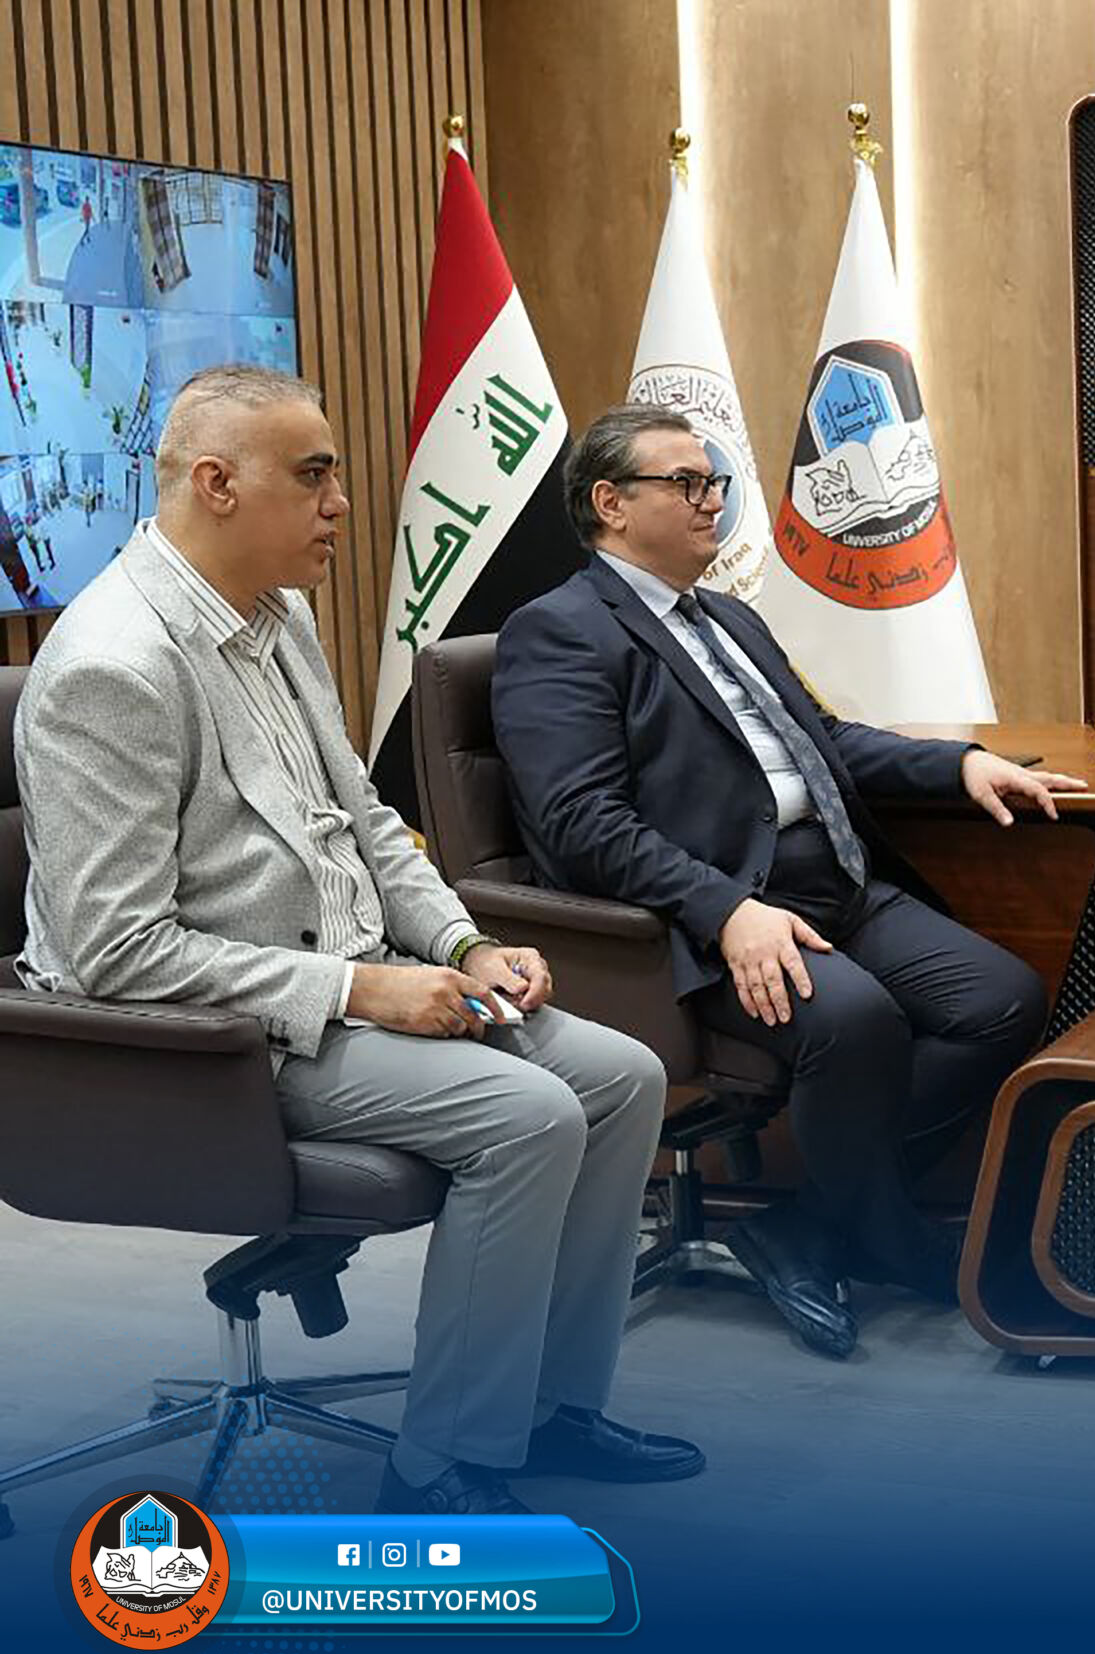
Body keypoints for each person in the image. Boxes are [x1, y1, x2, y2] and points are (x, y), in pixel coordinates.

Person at [12, 365, 690, 1517]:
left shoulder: (279, 611)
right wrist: (361, 990)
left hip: (351, 982)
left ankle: (546, 1407)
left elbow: (365, 822)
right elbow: (117, 952)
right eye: (314, 475)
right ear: (217, 484)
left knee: (622, 1077)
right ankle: (441, 1468)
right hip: (210, 1040)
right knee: (527, 1114)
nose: (339, 503)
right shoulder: (112, 667)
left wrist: (461, 944)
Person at [491, 405, 1084, 1360]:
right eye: (687, 484)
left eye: (715, 482)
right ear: (610, 503)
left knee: (999, 999)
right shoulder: (557, 632)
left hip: (832, 884)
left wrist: (960, 765)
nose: (712, 502)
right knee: (856, 1020)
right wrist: (727, 910)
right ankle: (892, 1243)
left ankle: (811, 1226)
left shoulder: (729, 616)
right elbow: (580, 822)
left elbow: (827, 742)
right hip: (701, 916)